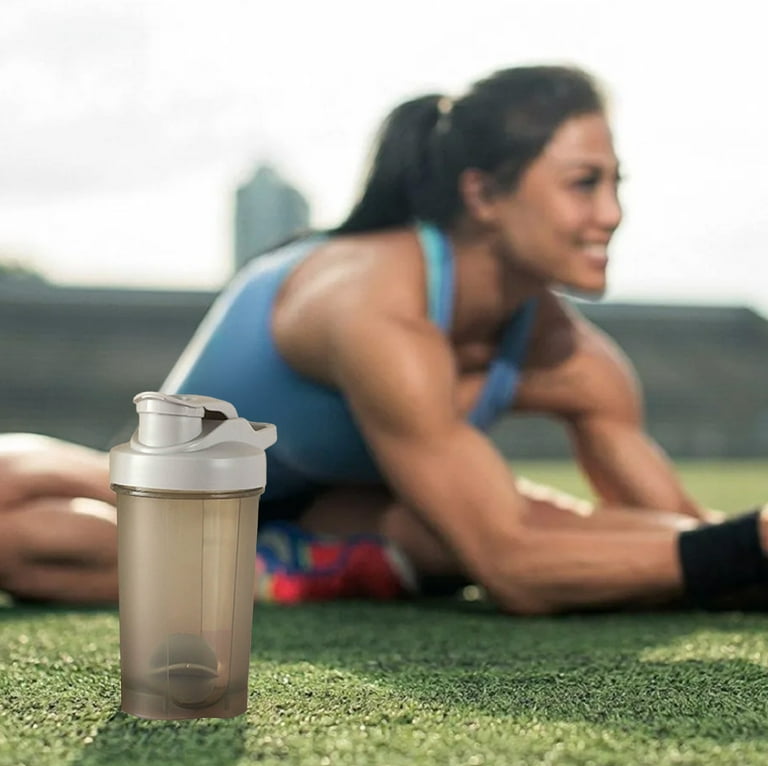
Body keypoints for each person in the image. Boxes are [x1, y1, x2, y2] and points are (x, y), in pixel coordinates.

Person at [1, 65, 767, 612]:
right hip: (181, 495)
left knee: (497, 532)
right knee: (14, 522)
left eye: (616, 183)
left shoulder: (576, 360)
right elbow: (515, 571)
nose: (612, 214)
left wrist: (741, 552)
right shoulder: (376, 303)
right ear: (483, 194)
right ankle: (287, 571)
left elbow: (687, 533)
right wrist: (744, 546)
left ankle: (302, 564)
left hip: (344, 511)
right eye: (583, 183)